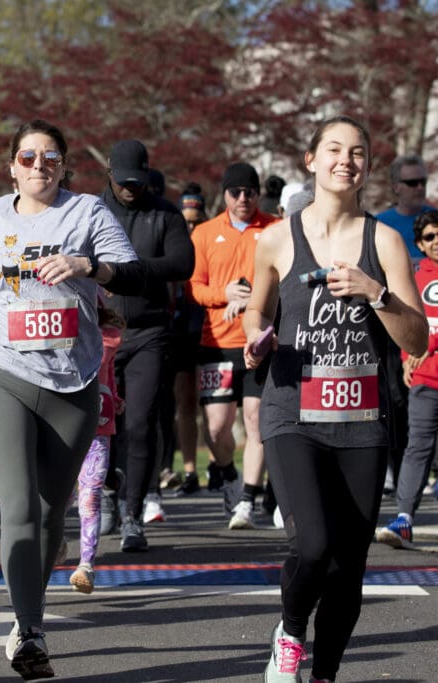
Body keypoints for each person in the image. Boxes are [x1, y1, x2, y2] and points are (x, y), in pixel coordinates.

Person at [0, 119, 137, 679]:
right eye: (27, 158)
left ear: (64, 164)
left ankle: (32, 613)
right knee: (22, 504)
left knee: (54, 511)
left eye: (50, 158)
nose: (39, 167)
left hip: (72, 383)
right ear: (11, 167)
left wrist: (87, 266)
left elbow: (136, 275)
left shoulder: (88, 214)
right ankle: (30, 630)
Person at [244, 115, 427, 683]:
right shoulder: (277, 237)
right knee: (314, 543)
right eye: (334, 150)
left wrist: (377, 293)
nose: (346, 160)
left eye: (357, 153)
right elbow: (258, 309)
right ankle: (291, 630)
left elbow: (417, 340)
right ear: (311, 159)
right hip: (292, 410)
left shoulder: (385, 241)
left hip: (362, 417)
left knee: (350, 566)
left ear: (368, 165)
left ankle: (325, 675)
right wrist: (255, 337)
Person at [99, 139, 194, 549]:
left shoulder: (165, 213)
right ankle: (103, 494)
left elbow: (183, 263)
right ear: (109, 175)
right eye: (123, 183)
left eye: (137, 182)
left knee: (139, 424)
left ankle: (132, 513)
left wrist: (127, 272)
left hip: (148, 332)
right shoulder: (91, 210)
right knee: (99, 426)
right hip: (101, 333)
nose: (130, 189)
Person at [187, 162, 278, 529]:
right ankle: (227, 476)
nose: (244, 199)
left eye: (251, 192)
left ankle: (248, 499)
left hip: (260, 340)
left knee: (257, 420)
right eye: (236, 192)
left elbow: (281, 279)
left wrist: (254, 299)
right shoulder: (206, 234)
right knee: (217, 427)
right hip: (217, 344)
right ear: (224, 195)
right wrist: (222, 295)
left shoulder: (274, 228)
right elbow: (193, 287)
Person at [376, 209, 438, 549]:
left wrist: (427, 345)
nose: (437, 241)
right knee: (417, 447)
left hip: (429, 360)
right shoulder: (415, 277)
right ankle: (404, 518)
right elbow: (406, 321)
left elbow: (426, 336)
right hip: (426, 381)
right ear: (419, 244)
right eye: (430, 236)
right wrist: (405, 358)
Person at [69, 293, 124, 593]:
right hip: (61, 422)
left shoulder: (109, 335)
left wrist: (113, 397)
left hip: (99, 423)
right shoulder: (57, 325)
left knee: (90, 495)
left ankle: (86, 565)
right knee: (58, 496)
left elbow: (109, 372)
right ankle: (52, 545)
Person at [173, 184, 209, 496]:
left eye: (196, 221)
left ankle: (217, 465)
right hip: (182, 329)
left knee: (212, 402)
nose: (191, 227)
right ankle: (188, 470)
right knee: (185, 401)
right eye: (186, 221)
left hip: (210, 329)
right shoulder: (174, 242)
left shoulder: (210, 240)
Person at [376, 154, 434, 261]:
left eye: (423, 182)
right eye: (412, 183)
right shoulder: (379, 224)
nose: (420, 188)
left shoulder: (435, 219)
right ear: (396, 187)